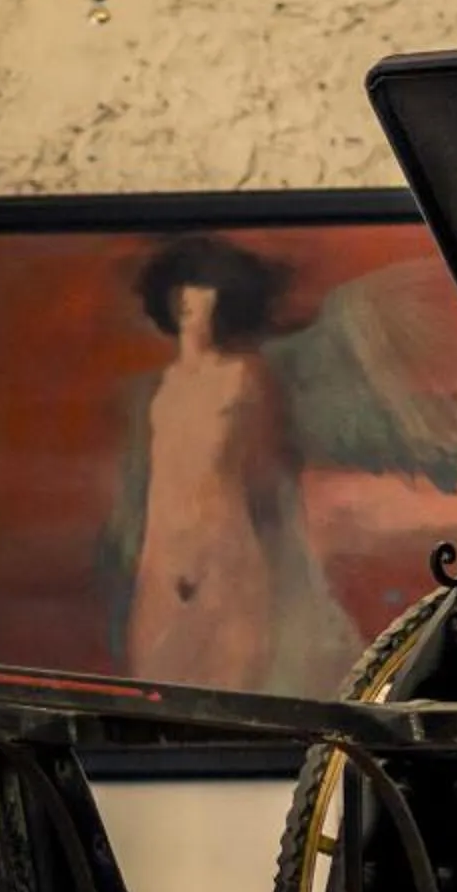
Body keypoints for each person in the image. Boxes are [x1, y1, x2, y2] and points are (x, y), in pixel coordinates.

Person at [105, 236, 359, 693]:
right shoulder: (165, 385)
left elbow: (266, 478)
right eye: (185, 299)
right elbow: (159, 476)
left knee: (227, 680)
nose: (192, 310)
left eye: (206, 300)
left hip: (224, 552)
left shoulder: (242, 378)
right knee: (161, 679)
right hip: (161, 556)